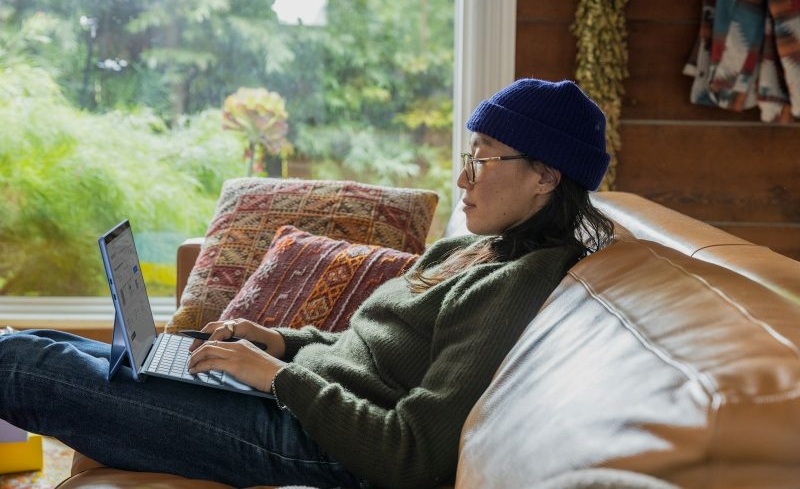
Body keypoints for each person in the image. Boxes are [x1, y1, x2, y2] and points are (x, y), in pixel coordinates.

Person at [0, 78, 614, 488]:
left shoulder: (519, 282)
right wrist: (280, 342)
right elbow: (370, 352)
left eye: (484, 158)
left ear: (545, 177)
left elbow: (413, 454)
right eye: (467, 157)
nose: (464, 179)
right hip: (293, 399)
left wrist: (280, 379)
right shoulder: (474, 247)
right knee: (55, 346)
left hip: (314, 444)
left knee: (22, 364)